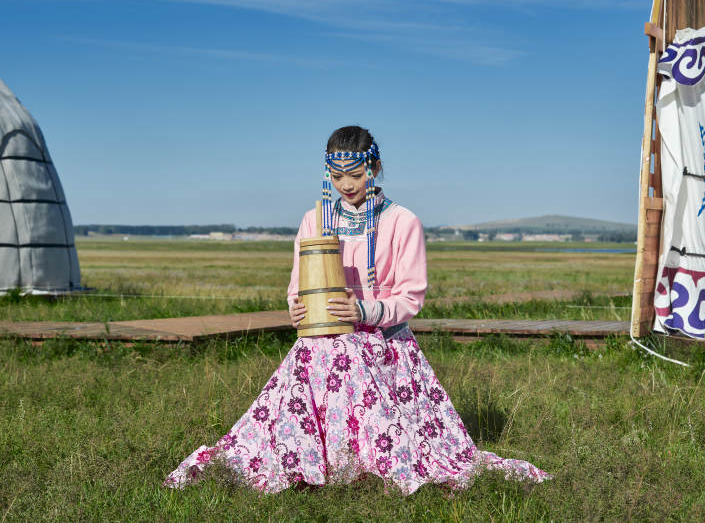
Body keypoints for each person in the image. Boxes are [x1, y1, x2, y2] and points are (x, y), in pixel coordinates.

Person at [165, 126, 550, 495]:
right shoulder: (313, 220)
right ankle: (313, 462)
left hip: (384, 341)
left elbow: (411, 297)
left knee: (346, 354)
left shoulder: (403, 222)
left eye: (355, 174)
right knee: (315, 357)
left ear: (375, 168)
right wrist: (295, 309)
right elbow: (297, 284)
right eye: (336, 176)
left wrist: (362, 310)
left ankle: (362, 461)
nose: (346, 185)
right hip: (319, 338)